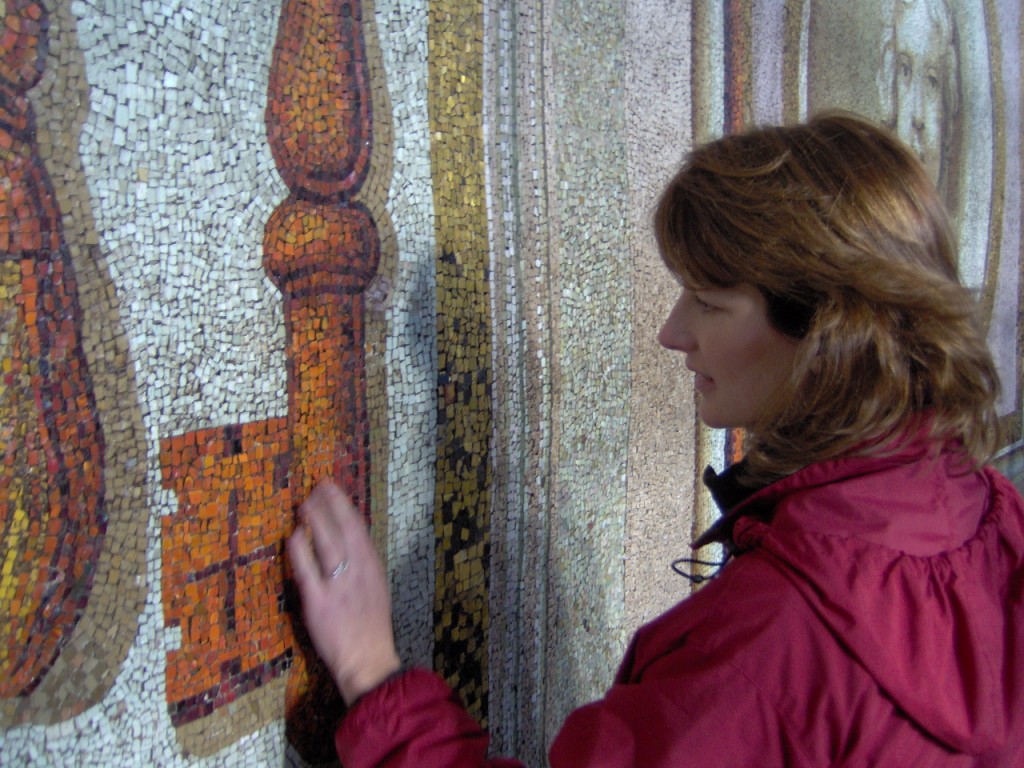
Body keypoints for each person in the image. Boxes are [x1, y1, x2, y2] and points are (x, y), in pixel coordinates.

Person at [286, 111, 1024, 766]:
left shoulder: (772, 651)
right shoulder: (988, 511)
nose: (673, 334)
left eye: (708, 301)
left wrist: (368, 672)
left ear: (832, 336)